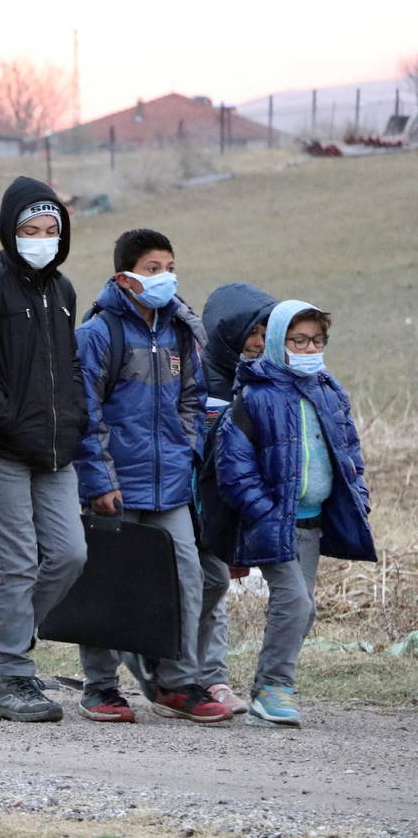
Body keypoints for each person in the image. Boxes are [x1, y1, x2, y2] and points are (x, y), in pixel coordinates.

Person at [73, 229, 231, 724]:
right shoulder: (98, 334)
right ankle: (100, 686)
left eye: (169, 267)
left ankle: (175, 682)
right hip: (116, 487)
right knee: (106, 584)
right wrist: (99, 482)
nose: (165, 278)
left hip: (170, 487)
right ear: (124, 277)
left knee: (190, 578)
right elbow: (84, 413)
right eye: (153, 269)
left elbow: (193, 399)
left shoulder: (180, 332)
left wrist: (187, 453)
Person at [0, 177, 88, 723]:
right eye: (32, 230)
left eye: (52, 230)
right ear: (10, 231)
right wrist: (7, 420)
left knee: (70, 554)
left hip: (55, 450)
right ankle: (11, 679)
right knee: (18, 563)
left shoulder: (64, 291)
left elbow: (69, 363)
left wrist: (74, 416)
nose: (43, 239)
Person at [216, 300, 374, 727]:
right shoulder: (255, 397)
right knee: (295, 602)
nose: (309, 349)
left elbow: (349, 452)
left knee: (302, 609)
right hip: (273, 521)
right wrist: (264, 512)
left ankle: (269, 689)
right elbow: (234, 469)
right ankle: (273, 689)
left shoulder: (329, 391)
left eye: (317, 341)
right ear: (275, 343)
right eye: (298, 341)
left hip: (311, 522)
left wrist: (358, 494)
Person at [193, 282, 277, 715]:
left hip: (228, 508)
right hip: (187, 502)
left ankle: (212, 679)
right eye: (251, 333)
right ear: (227, 333)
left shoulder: (263, 381)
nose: (259, 343)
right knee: (197, 586)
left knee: (214, 587)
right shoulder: (196, 379)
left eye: (265, 333)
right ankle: (170, 672)